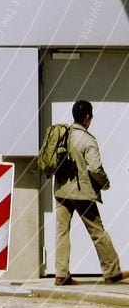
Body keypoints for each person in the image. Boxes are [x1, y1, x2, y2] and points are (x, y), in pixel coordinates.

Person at [54, 99, 129, 286]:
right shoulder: (87, 140)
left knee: (62, 232)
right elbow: (95, 169)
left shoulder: (63, 134)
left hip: (61, 190)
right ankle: (111, 271)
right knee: (97, 231)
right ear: (87, 118)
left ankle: (61, 274)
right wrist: (105, 184)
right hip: (81, 193)